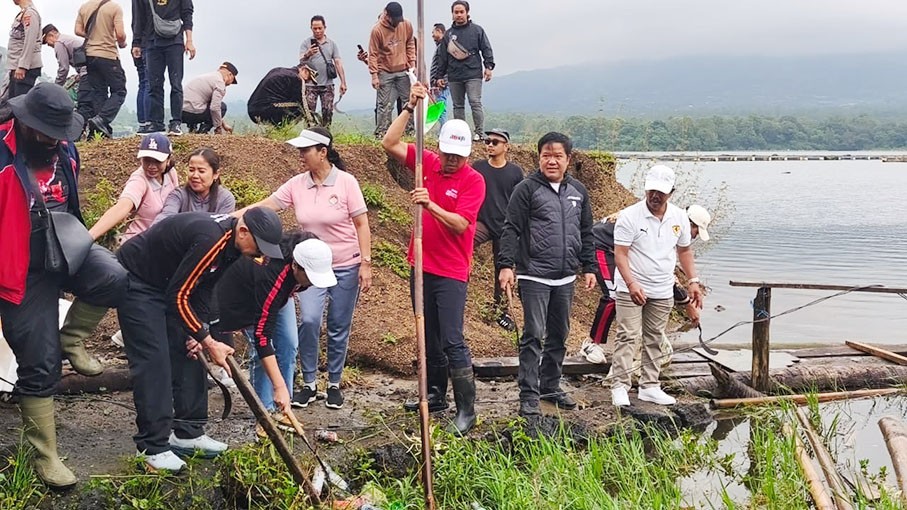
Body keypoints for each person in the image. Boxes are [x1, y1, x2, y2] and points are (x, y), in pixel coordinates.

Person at [0, 83, 129, 487]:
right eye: (45, 133)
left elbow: (70, 202)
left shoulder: (65, 152)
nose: (54, 141)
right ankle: (45, 456)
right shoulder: (3, 154)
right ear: (25, 122)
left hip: (64, 244)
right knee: (39, 363)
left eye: (60, 134)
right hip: (22, 266)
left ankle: (72, 340)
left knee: (114, 276)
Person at [116, 207, 283, 472]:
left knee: (190, 352)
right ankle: (152, 448)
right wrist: (209, 340)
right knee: (155, 361)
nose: (261, 254)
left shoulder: (234, 246)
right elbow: (177, 296)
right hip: (139, 282)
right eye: (260, 246)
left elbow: (205, 287)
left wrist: (200, 332)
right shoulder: (211, 239)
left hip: (170, 283)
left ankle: (188, 433)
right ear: (243, 231)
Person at [241, 127, 371, 410]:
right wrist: (236, 218)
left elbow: (361, 223)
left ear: (323, 152)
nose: (300, 155)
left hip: (345, 265)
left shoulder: (347, 183)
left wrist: (365, 262)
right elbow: (268, 205)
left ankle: (334, 383)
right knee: (309, 321)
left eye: (305, 150)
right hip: (308, 270)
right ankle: (309, 382)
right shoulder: (297, 184)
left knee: (338, 325)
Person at [383, 82, 485, 435]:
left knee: (452, 338)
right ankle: (435, 393)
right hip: (421, 264)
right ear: (439, 149)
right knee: (427, 335)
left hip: (452, 271)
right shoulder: (427, 161)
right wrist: (410, 108)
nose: (450, 160)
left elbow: (460, 225)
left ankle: (467, 409)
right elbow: (389, 143)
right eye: (446, 154)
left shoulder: (473, 181)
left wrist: (431, 204)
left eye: (457, 156)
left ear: (468, 155)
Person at [498, 132, 596, 419]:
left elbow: (586, 231)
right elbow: (511, 229)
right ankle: (528, 393)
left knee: (559, 335)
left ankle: (550, 386)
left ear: (568, 159)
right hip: (534, 275)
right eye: (546, 155)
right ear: (538, 157)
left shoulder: (578, 191)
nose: (551, 161)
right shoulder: (527, 189)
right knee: (532, 335)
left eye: (558, 156)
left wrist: (588, 267)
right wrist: (506, 265)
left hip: (566, 277)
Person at [609, 165, 703, 407]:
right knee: (627, 335)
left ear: (671, 192)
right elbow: (620, 254)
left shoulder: (680, 217)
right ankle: (620, 384)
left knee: (655, 337)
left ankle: (650, 385)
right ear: (646, 188)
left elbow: (684, 250)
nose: (655, 196)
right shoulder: (629, 216)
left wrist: (693, 280)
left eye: (660, 192)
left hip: (661, 288)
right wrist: (631, 283)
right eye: (651, 190)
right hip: (631, 286)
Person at [214, 232, 337, 415]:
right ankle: (266, 413)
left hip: (279, 295)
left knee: (289, 344)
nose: (312, 284)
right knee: (264, 351)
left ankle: (283, 409)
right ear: (295, 266)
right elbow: (262, 338)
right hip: (244, 299)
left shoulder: (311, 251)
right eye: (310, 278)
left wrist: (282, 389)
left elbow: (286, 291)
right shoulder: (271, 274)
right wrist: (278, 386)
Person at [582, 204, 712, 364]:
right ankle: (590, 343)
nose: (694, 237)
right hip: (601, 245)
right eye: (696, 232)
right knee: (614, 294)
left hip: (620, 249)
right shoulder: (664, 226)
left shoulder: (670, 223)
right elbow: (666, 274)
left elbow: (660, 272)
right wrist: (687, 304)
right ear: (688, 223)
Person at [472, 128, 523, 331]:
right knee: (462, 242)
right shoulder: (478, 167)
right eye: (488, 141)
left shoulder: (515, 172)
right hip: (482, 222)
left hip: (505, 228)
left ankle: (500, 310)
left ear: (506, 147)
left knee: (502, 268)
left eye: (495, 142)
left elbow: (520, 202)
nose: (490, 145)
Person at [433, 1, 494, 141]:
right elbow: (442, 57)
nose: (459, 15)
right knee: (458, 106)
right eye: (456, 12)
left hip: (473, 72)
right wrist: (439, 76)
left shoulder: (477, 30)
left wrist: (488, 67)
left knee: (474, 101)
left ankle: (479, 132)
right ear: (452, 14)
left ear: (467, 12)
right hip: (454, 74)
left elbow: (486, 48)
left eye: (461, 12)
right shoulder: (448, 35)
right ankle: (461, 134)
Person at [131, 0, 195, 135]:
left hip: (175, 41)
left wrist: (189, 40)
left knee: (176, 83)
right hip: (151, 41)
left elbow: (187, 13)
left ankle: (176, 122)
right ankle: (156, 123)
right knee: (154, 85)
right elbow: (138, 17)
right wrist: (136, 42)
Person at [75, 0, 128, 139]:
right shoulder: (114, 7)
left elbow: (77, 30)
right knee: (119, 91)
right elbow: (120, 34)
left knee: (99, 92)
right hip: (108, 54)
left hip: (90, 55)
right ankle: (102, 119)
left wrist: (92, 35)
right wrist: (122, 43)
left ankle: (98, 131)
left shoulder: (84, 7)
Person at [368, 1, 415, 138]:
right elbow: (373, 54)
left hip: (402, 70)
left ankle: (409, 131)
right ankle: (382, 133)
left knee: (408, 101)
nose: (397, 22)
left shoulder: (405, 24)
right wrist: (374, 75)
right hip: (385, 72)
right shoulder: (377, 30)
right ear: (387, 15)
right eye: (394, 19)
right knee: (384, 104)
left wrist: (412, 62)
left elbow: (410, 43)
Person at [155, 147, 235, 222]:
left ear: (215, 174)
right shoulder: (178, 195)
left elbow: (223, 229)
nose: (195, 175)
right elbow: (165, 217)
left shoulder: (225, 199)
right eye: (191, 170)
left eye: (201, 171)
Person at [41, 24, 93, 128]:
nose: (49, 45)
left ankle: (77, 131)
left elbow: (63, 68)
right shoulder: (67, 39)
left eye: (47, 42)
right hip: (93, 71)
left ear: (51, 35)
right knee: (94, 102)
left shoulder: (59, 43)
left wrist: (56, 87)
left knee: (84, 104)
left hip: (87, 74)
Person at [299, 15, 346, 128]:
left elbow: (338, 63)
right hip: (311, 84)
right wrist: (308, 54)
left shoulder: (331, 44)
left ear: (325, 27)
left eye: (320, 28)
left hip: (327, 84)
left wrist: (343, 82)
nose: (318, 31)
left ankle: (325, 136)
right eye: (315, 28)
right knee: (309, 114)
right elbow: (301, 60)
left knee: (327, 113)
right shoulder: (306, 43)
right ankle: (310, 137)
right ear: (311, 28)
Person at [181, 62, 238, 134]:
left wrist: (223, 124)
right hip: (193, 113)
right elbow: (215, 107)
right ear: (230, 75)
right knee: (222, 106)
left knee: (201, 102)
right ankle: (203, 130)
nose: (229, 84)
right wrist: (218, 127)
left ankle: (192, 128)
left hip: (181, 113)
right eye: (232, 80)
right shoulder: (219, 82)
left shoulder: (207, 77)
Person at [247, 64, 313, 126]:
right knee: (299, 108)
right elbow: (303, 104)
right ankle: (281, 129)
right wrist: (311, 122)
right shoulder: (296, 79)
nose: (307, 81)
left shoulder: (278, 70)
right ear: (305, 71)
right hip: (265, 110)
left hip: (252, 109)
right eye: (309, 78)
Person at [6, 0, 42, 98]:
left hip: (25, 69)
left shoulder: (30, 13)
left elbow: (30, 40)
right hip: (17, 66)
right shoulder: (24, 13)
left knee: (21, 104)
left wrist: (23, 66)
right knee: (14, 104)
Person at [429, 23, 452, 126]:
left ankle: (443, 130)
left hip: (442, 83)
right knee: (439, 106)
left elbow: (445, 64)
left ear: (439, 31)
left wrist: (442, 79)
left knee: (440, 107)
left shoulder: (444, 46)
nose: (432, 35)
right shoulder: (440, 46)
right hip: (438, 82)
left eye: (433, 32)